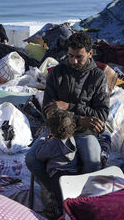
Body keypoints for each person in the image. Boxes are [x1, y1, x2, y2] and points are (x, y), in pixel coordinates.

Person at [25, 32, 109, 200]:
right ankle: (60, 196)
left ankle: (83, 200)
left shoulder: (98, 77)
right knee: (31, 159)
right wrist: (80, 118)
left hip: (85, 133)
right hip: (58, 129)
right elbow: (48, 112)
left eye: (79, 57)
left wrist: (68, 106)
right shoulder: (57, 73)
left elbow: (101, 114)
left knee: (93, 162)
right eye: (70, 56)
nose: (73, 61)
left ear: (90, 53)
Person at [34, 109, 78, 204]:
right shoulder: (72, 138)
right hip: (73, 173)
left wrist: (43, 140)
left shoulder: (53, 143)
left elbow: (39, 155)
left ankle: (53, 209)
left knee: (57, 200)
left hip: (57, 176)